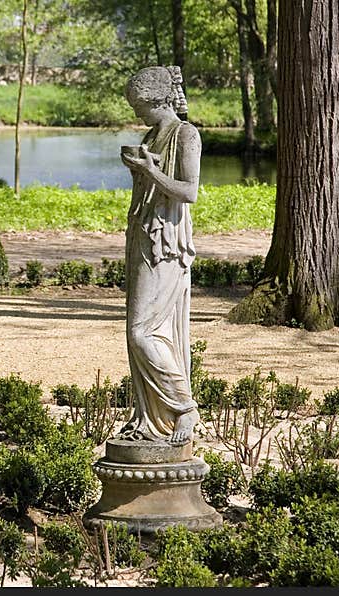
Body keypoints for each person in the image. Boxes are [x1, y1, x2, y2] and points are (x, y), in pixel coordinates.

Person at [118, 65, 200, 445]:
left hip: (167, 243)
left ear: (158, 100)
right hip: (143, 234)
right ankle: (151, 418)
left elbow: (187, 192)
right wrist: (140, 171)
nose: (137, 115)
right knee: (137, 331)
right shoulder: (153, 134)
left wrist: (150, 171)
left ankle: (184, 407)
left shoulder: (186, 135)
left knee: (142, 332)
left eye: (141, 107)